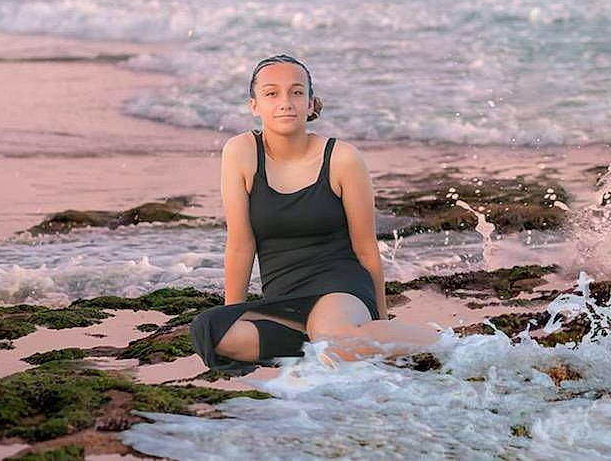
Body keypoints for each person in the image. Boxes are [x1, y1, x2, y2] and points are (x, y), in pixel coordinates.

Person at [189, 54, 442, 375]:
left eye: (296, 92)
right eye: (271, 93)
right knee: (212, 332)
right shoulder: (240, 152)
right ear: (254, 105)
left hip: (340, 286)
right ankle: (349, 347)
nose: (285, 102)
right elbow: (240, 243)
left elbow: (366, 246)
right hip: (285, 298)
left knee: (333, 337)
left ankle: (451, 347)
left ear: (310, 104)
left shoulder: (342, 158)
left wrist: (379, 316)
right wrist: (233, 313)